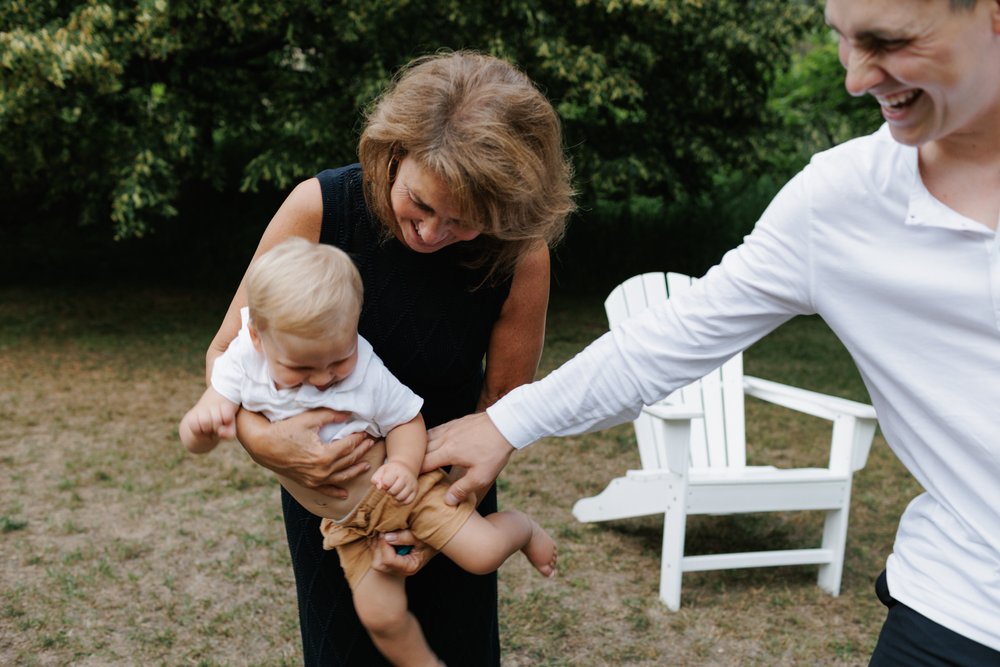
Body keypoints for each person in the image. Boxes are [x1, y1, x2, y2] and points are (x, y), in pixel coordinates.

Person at [424, 1, 1000, 665]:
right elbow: (669, 338)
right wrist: (506, 423)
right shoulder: (840, 203)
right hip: (954, 611)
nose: (855, 76)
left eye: (887, 41)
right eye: (841, 39)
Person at [205, 51, 574, 665]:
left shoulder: (519, 254)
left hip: (448, 489)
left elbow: (501, 411)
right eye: (421, 204)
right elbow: (227, 350)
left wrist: (430, 520)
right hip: (331, 491)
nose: (431, 234)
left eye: (463, 223)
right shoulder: (320, 207)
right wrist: (267, 445)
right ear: (393, 151)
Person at [181, 238, 557, 667]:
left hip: (407, 493)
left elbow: (406, 420)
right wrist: (201, 426)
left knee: (482, 555)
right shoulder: (242, 363)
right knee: (380, 617)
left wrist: (401, 463)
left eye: (338, 360)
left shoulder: (365, 370)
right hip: (351, 526)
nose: (324, 378)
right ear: (258, 338)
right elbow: (201, 436)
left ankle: (522, 529)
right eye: (302, 369)